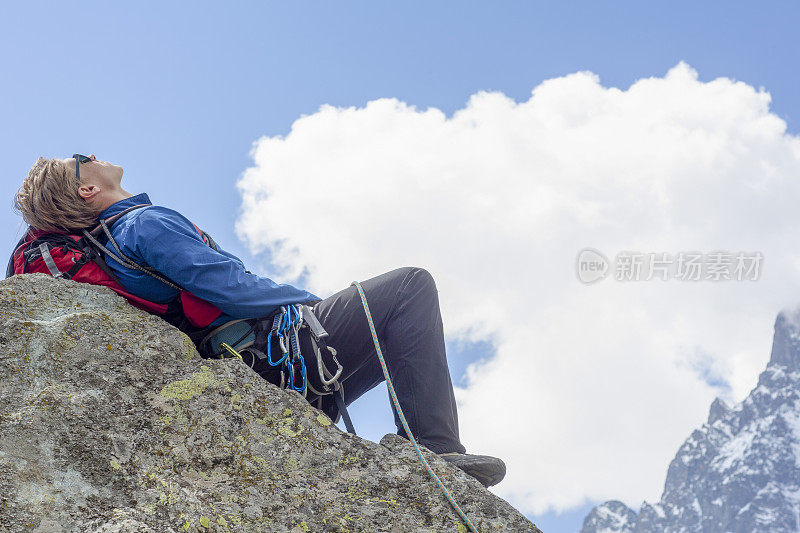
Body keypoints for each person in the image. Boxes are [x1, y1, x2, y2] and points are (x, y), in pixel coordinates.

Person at [12, 154, 506, 487]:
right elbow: (227, 287)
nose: (93, 152)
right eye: (82, 157)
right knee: (406, 290)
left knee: (396, 321)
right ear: (87, 188)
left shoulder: (108, 245)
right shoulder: (141, 223)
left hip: (256, 369)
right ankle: (434, 450)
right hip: (279, 356)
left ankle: (432, 450)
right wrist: (311, 306)